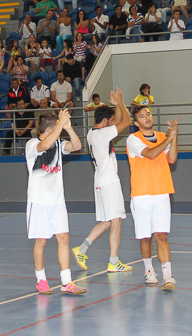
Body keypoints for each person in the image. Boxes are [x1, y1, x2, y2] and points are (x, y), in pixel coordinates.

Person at [71, 89, 133, 274]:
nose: (113, 123)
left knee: (108, 221)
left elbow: (118, 121)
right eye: (110, 121)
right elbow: (127, 122)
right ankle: (113, 261)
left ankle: (81, 249)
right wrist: (121, 102)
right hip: (109, 182)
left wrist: (116, 106)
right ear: (105, 121)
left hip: (99, 181)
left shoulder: (92, 133)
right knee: (117, 221)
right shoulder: (103, 134)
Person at [25, 110, 86, 295]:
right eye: (58, 128)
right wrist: (60, 124)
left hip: (57, 201)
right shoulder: (32, 145)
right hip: (39, 201)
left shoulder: (59, 144)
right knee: (41, 241)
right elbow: (45, 145)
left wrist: (69, 128)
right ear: (50, 130)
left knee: (64, 238)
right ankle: (41, 280)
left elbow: (77, 146)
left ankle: (66, 282)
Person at [125, 105, 179, 289]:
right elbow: (151, 154)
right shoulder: (133, 139)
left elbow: (172, 159)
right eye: (142, 115)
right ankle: (149, 270)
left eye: (148, 114)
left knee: (162, 235)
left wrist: (174, 136)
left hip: (162, 191)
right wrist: (169, 139)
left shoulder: (163, 136)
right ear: (136, 122)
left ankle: (168, 276)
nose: (147, 117)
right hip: (142, 194)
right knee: (146, 237)